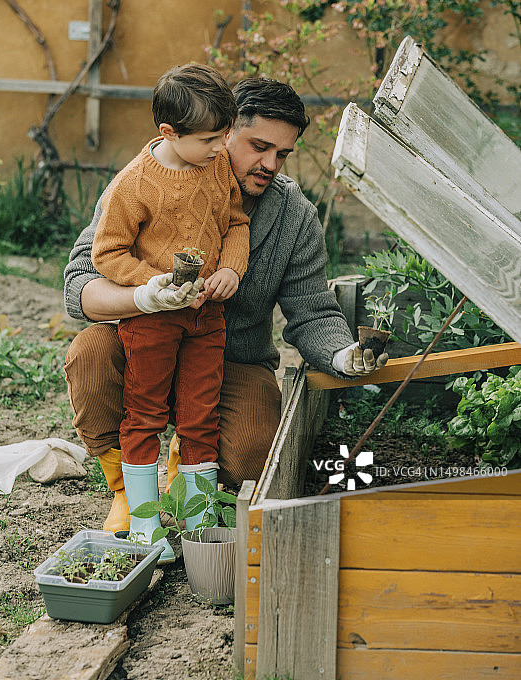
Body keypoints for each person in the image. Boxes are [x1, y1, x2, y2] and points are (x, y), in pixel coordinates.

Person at [64, 77, 388, 535]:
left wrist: (341, 355)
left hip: (231, 359)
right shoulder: (142, 180)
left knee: (257, 455)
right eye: (259, 146)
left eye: (283, 154)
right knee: (89, 354)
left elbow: (312, 308)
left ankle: (186, 465)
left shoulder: (292, 215)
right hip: (143, 343)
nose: (270, 164)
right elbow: (80, 280)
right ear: (225, 129)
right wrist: (144, 297)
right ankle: (126, 493)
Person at [88, 64, 249, 560]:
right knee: (145, 412)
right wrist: (149, 284)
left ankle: (197, 524)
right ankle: (144, 524)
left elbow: (236, 223)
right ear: (168, 133)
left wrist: (231, 270)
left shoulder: (217, 166)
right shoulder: (133, 184)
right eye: (208, 139)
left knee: (200, 415)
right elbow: (107, 253)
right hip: (152, 319)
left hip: (206, 317)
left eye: (225, 136)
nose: (221, 148)